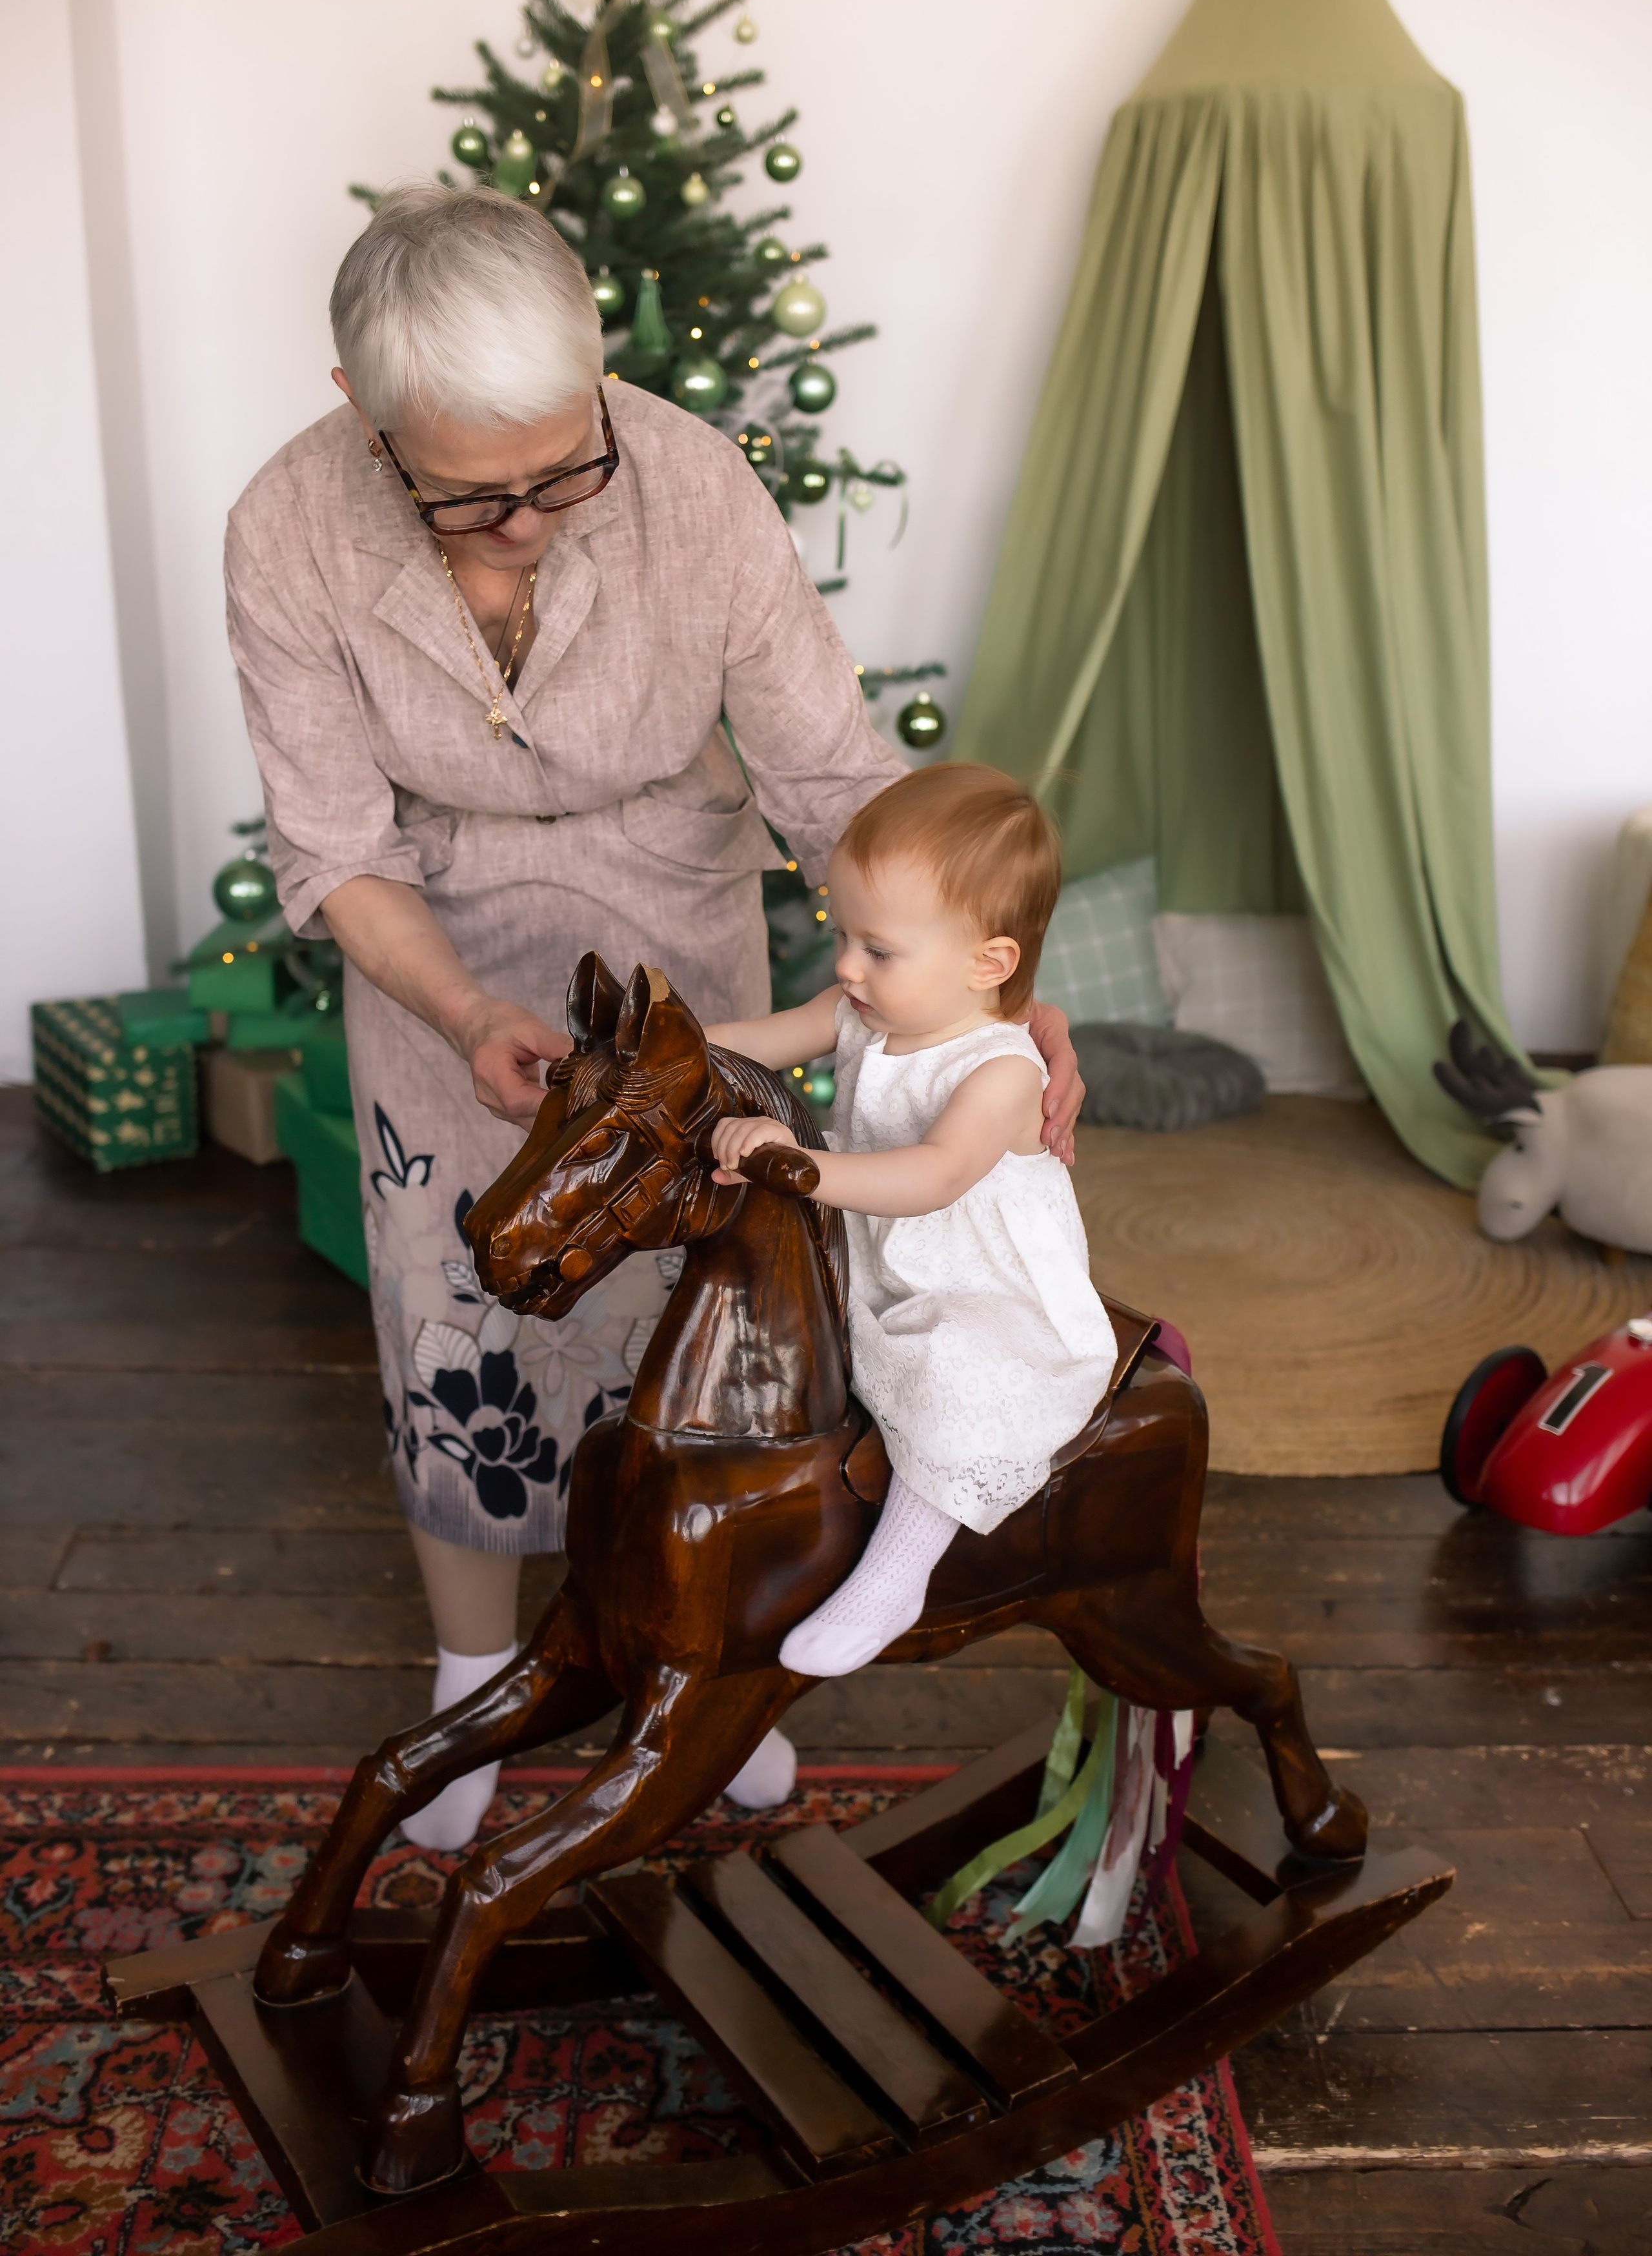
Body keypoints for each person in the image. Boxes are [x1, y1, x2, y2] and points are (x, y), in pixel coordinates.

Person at [226, 185, 1084, 1845]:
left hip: (675, 955)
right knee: (457, 1328)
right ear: (362, 420)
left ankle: (707, 1661)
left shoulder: (693, 482)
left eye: (567, 467)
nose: (532, 517)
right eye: (474, 494)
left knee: (706, 1339)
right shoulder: (286, 527)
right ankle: (469, 1677)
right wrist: (466, 1006)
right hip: (433, 957)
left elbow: (836, 777)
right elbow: (332, 846)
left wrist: (998, 982)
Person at [708, 763, 1116, 1673]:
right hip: (876, 1252)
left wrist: (795, 1163)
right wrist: (653, 1049)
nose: (846, 965)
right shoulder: (859, 1013)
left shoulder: (1003, 1070)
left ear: (989, 963)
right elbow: (752, 1041)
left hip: (978, 1287)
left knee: (953, 1372)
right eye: (843, 935)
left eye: (878, 949)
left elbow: (933, 1177)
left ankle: (898, 1574)